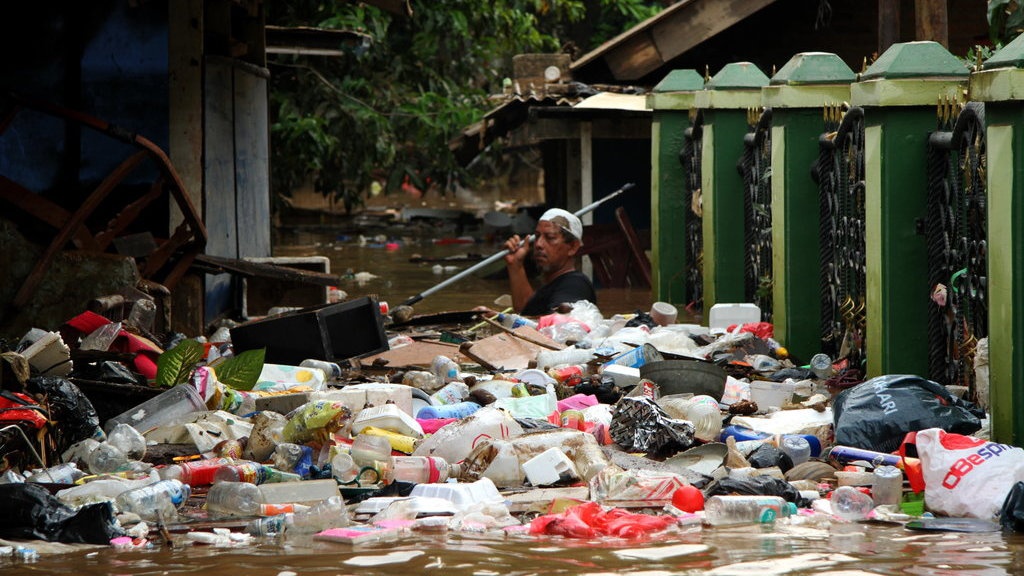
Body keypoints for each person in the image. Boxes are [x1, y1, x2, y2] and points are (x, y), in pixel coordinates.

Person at [502, 208, 596, 316]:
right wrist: (515, 265)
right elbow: (525, 311)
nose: (538, 244)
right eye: (537, 236)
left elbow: (560, 323)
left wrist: (506, 320)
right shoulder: (552, 284)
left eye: (550, 238)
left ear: (572, 247)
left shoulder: (575, 284)